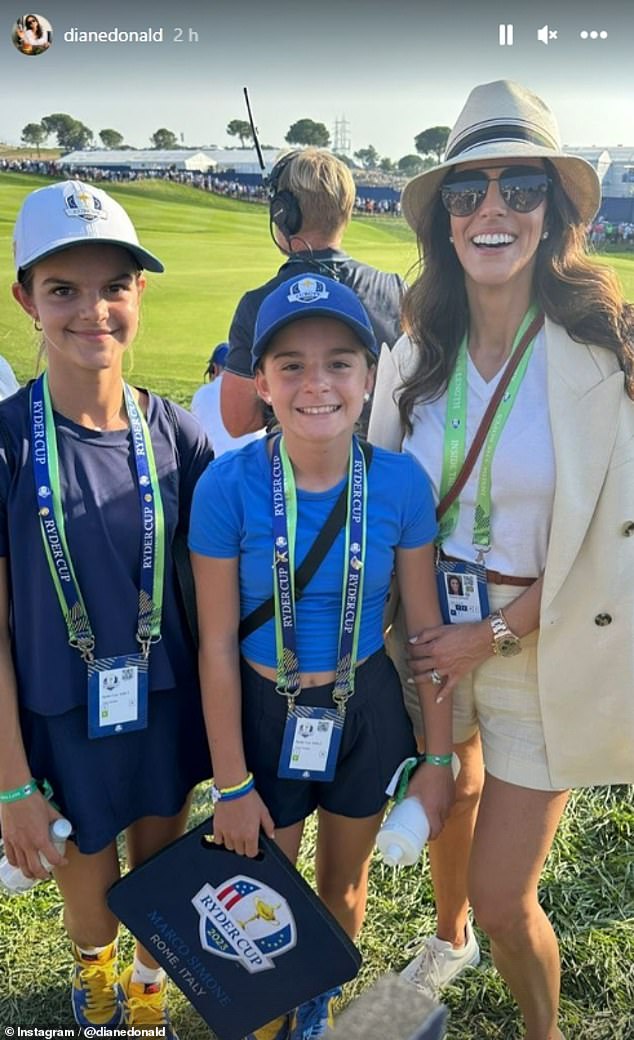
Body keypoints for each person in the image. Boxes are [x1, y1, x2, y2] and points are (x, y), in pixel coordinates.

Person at [369, 79, 634, 1040]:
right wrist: (437, 641)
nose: (492, 210)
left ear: (554, 213)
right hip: (436, 640)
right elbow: (391, 512)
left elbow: (613, 544)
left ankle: (542, 1031)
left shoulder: (603, 354)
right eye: (469, 191)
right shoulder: (411, 353)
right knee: (454, 792)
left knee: (506, 896)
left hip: (541, 644)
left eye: (520, 188)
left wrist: (497, 631)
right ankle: (447, 941)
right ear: (443, 218)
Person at [189, 273, 453, 1040]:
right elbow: (213, 644)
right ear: (261, 382)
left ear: (369, 379)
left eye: (339, 362)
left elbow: (426, 635)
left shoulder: (401, 483)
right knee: (261, 884)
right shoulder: (226, 486)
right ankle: (266, 1007)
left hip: (360, 703)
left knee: (343, 884)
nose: (317, 384)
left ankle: (317, 1004)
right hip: (262, 710)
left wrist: (437, 762)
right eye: (291, 365)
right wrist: (231, 783)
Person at [0, 180, 212, 1038]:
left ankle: (149, 987)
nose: (93, 310)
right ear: (25, 300)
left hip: (161, 706)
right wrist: (12, 780)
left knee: (156, 883)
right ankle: (94, 983)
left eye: (113, 286)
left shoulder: (179, 436)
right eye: (64, 289)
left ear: (140, 294)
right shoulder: (8, 442)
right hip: (61, 721)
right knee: (90, 900)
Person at [220, 148, 405, 440]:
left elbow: (237, 420)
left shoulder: (257, 305)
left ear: (283, 213)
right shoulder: (396, 290)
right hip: (382, 470)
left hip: (292, 477)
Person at [191, 341, 266, 457]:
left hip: (215, 464)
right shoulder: (259, 389)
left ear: (215, 369)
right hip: (256, 462)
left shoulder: (202, 394)